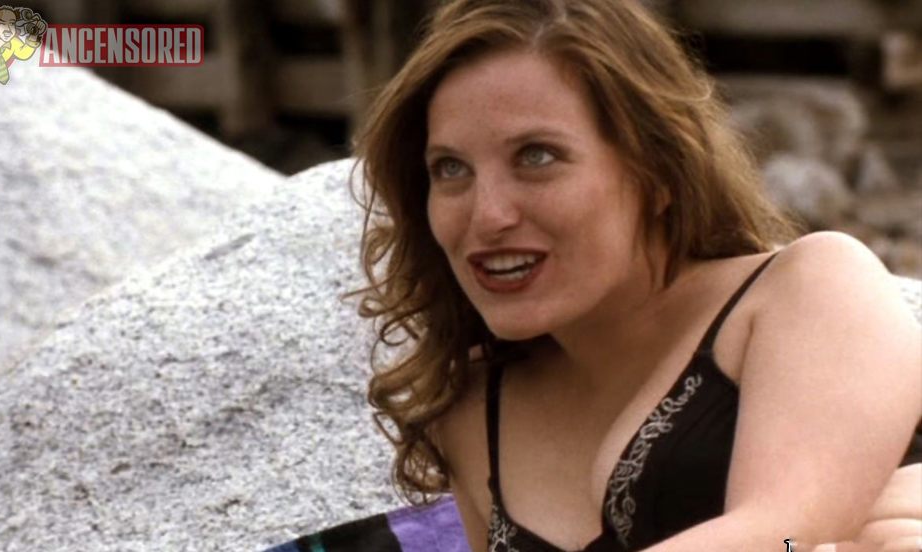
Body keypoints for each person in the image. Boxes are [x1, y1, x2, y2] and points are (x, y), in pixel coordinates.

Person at [352, 1, 922, 551]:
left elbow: (790, 537)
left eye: (536, 156)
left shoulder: (809, 287)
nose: (488, 215)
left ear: (658, 171)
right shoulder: (474, 408)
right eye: (450, 168)